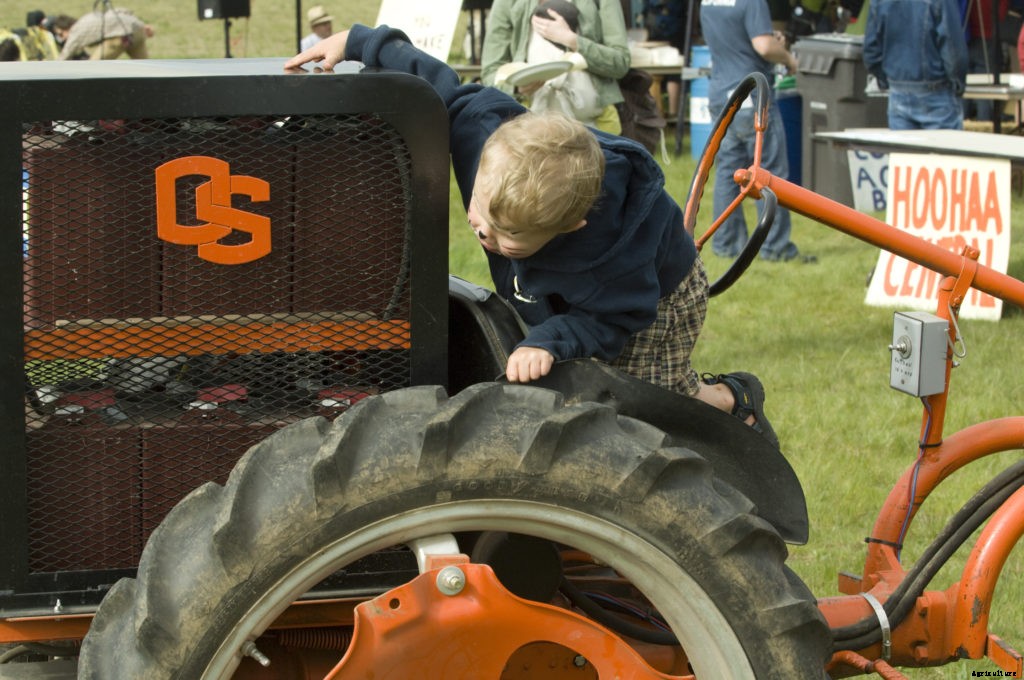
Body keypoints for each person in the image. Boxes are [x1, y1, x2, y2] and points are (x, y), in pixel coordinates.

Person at [285, 24, 781, 448]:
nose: (484, 233)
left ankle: (732, 401)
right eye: (480, 213)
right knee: (588, 386)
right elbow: (430, 81)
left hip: (657, 297)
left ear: (570, 227)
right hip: (575, 287)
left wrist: (550, 338)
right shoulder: (481, 134)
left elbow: (610, 320)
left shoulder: (611, 256)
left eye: (509, 235)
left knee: (642, 401)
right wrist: (357, 40)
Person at [699, 0, 803, 262]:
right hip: (752, 96)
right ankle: (775, 248)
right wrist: (789, 57)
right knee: (770, 173)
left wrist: (770, 39)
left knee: (727, 172)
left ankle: (726, 245)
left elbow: (735, 39)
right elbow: (763, 46)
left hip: (721, 95)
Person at [481, 0, 631, 134]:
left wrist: (572, 40)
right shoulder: (506, 3)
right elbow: (490, 73)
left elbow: (620, 62)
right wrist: (516, 88)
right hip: (530, 133)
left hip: (597, 132)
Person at [862, 0, 968, 129]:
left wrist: (887, 80)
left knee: (902, 149)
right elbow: (953, 50)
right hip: (936, 91)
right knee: (944, 148)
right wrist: (957, 83)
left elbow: (871, 52)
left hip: (899, 90)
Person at [58, 7, 153, 60]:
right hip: (138, 30)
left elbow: (66, 54)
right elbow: (122, 10)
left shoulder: (76, 30)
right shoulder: (88, 18)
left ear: (68, 27)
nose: (62, 38)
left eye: (62, 34)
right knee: (144, 67)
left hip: (120, 36)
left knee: (93, 68)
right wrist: (142, 25)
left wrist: (53, 68)